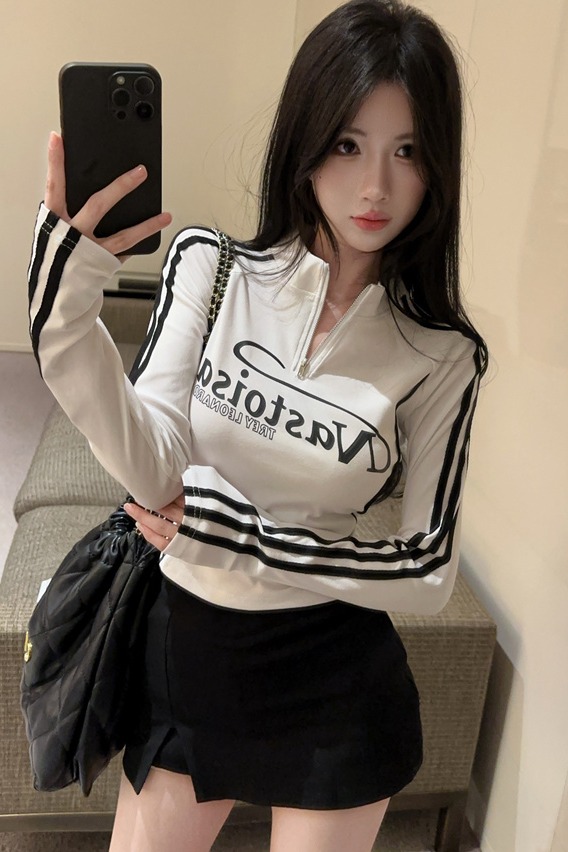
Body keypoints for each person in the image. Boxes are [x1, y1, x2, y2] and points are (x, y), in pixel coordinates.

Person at [28, 0, 488, 849]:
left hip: (333, 679)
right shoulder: (211, 266)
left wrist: (240, 535)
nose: (376, 187)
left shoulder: (442, 353)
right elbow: (152, 468)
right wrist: (64, 308)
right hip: (189, 652)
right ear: (305, 141)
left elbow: (426, 566)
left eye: (408, 151)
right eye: (347, 144)